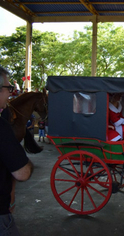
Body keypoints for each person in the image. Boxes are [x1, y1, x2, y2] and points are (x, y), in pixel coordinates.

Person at [1, 66, 34, 235]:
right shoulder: (2, 127)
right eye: (8, 88)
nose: (10, 93)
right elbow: (22, 173)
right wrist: (28, 164)